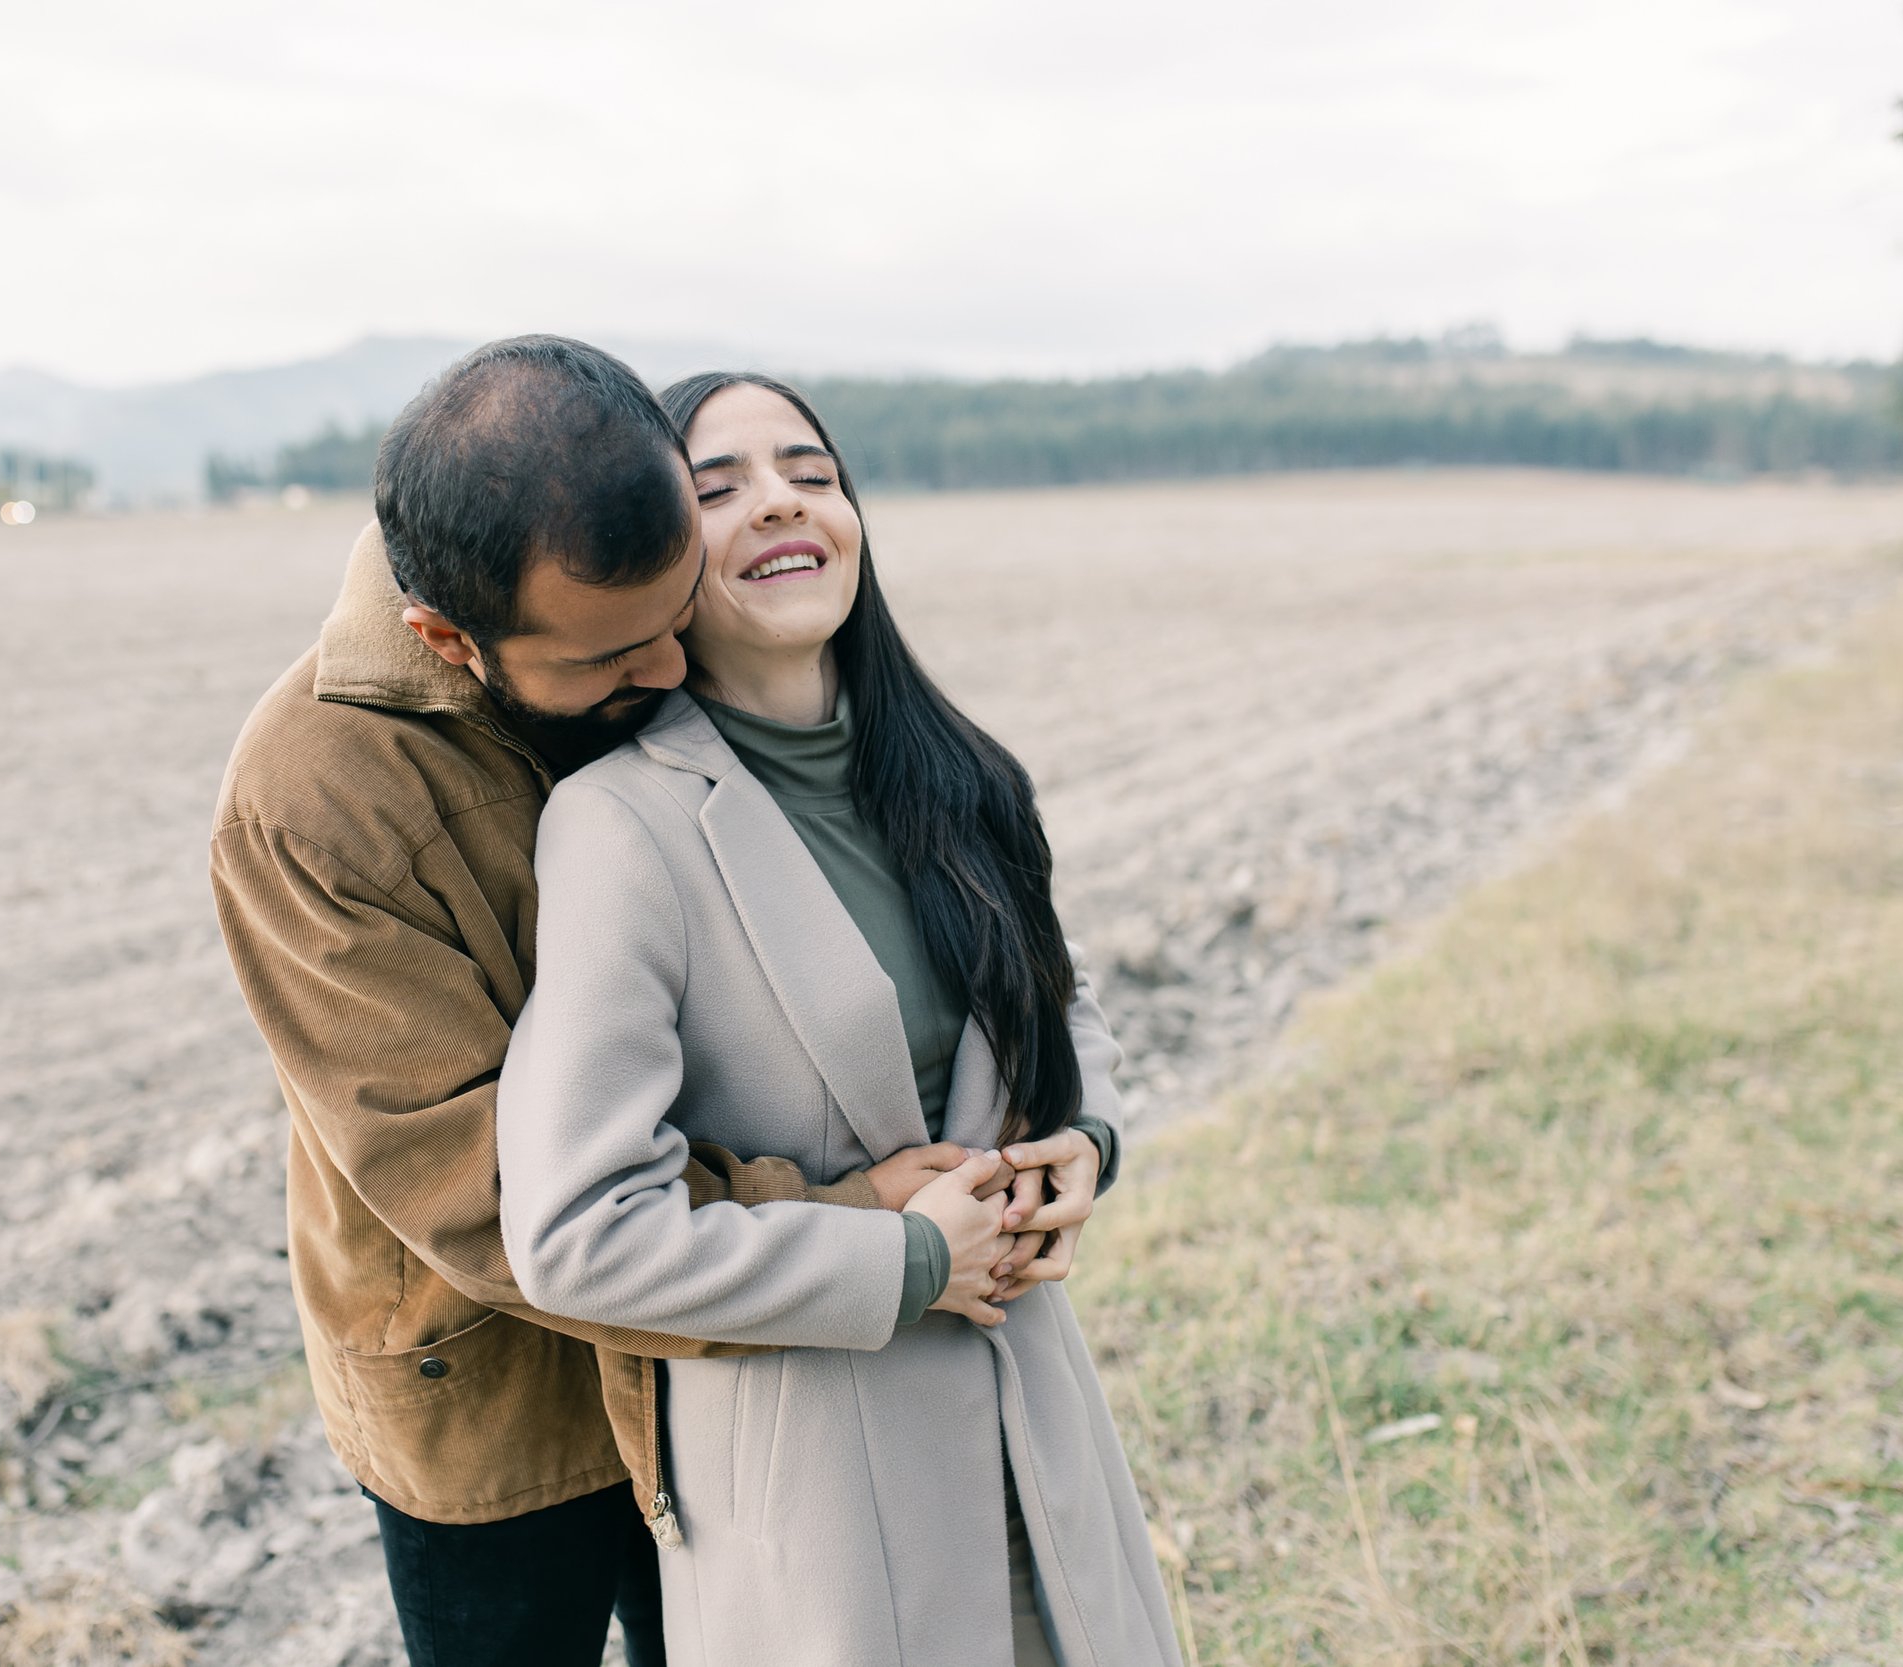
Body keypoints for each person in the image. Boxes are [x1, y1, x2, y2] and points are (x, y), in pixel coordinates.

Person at [209, 338, 993, 1667]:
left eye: (673, 616)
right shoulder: (309, 799)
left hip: (734, 1344)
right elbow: (477, 1194)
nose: (673, 673)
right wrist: (846, 1228)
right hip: (503, 1405)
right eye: (614, 658)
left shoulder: (636, 615)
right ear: (447, 639)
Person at [495, 372, 1183, 1667]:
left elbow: (1062, 996)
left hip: (1040, 1427)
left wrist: (1086, 1138)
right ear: (649, 559)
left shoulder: (957, 773)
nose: (778, 504)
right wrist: (903, 1260)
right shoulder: (622, 830)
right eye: (718, 488)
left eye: (810, 472)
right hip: (819, 1497)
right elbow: (578, 1237)